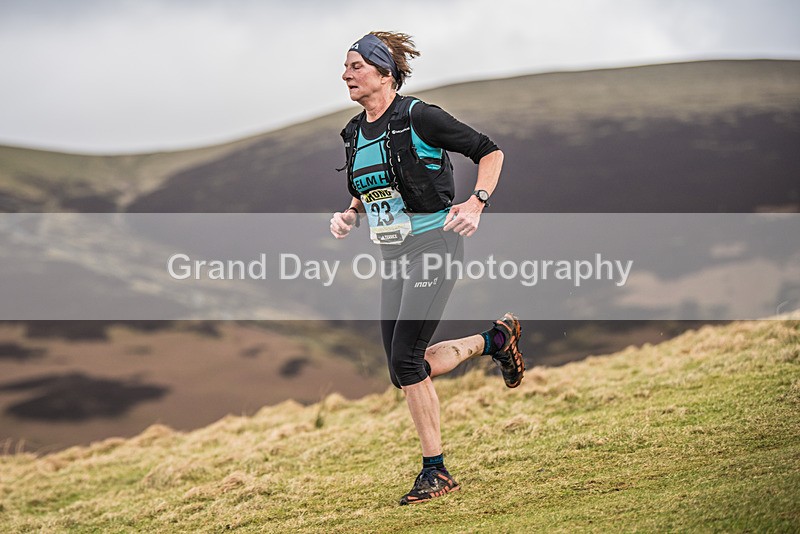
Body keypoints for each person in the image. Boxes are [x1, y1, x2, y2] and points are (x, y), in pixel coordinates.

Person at [329, 31, 525, 505]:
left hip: (434, 245)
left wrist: (476, 203)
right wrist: (350, 214)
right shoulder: (354, 132)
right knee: (402, 370)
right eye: (346, 66)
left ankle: (436, 471)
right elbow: (369, 185)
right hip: (392, 253)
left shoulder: (420, 116)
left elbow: (490, 150)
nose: (346, 74)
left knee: (405, 360)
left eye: (355, 65)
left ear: (384, 74)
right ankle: (495, 340)